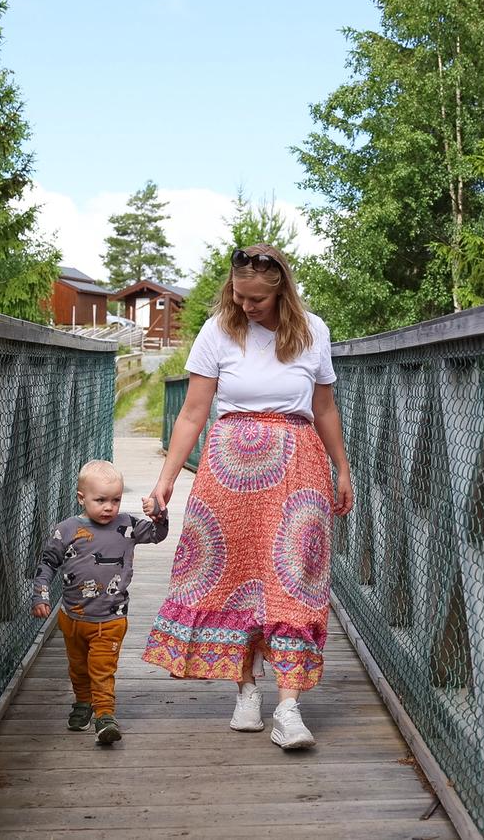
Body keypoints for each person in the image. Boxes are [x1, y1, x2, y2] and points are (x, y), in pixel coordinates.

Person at [143, 243, 353, 751]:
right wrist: (166, 478)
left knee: (293, 576)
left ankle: (289, 706)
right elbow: (193, 412)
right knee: (236, 573)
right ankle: (246, 690)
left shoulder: (314, 332)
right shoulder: (218, 329)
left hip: (298, 463)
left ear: (281, 289)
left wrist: (342, 467)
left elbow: (324, 408)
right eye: (238, 295)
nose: (245, 306)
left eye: (256, 299)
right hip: (229, 467)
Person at [33, 460, 169, 744]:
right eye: (101, 500)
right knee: (78, 667)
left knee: (102, 668)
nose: (109, 507)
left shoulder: (127, 525)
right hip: (72, 618)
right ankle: (83, 702)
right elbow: (47, 563)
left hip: (111, 618)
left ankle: (105, 715)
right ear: (81, 498)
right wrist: (41, 594)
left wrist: (159, 515)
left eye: (115, 500)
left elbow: (158, 535)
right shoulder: (66, 530)